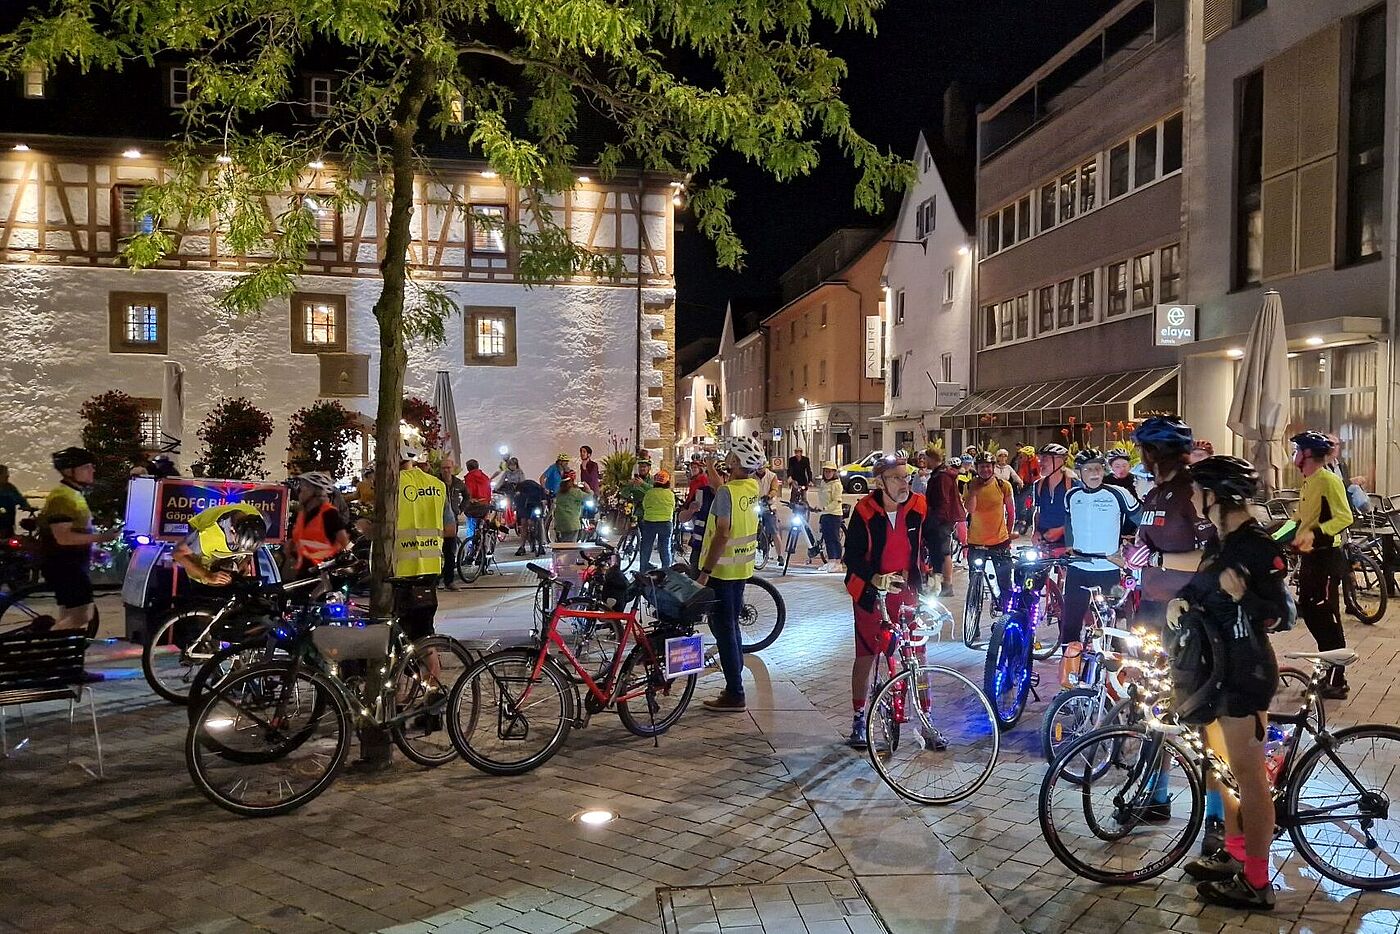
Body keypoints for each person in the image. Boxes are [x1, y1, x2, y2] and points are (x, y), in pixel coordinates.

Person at [1173, 456, 1286, 911]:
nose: (1193, 500)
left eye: (1197, 491)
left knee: (1249, 780)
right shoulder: (1221, 541)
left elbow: (1283, 612)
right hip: (1217, 671)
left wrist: (1248, 598)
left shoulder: (1256, 544)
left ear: (1214, 496)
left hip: (1246, 672)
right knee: (1224, 773)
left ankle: (1257, 882)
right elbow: (1200, 588)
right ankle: (1237, 855)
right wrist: (1179, 602)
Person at [842, 457, 946, 748]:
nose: (905, 484)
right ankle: (859, 718)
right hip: (870, 592)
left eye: (907, 477)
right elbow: (851, 556)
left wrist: (937, 571)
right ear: (880, 482)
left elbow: (937, 538)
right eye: (897, 478)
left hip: (907, 589)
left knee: (918, 654)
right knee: (867, 654)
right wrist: (874, 578)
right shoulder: (865, 511)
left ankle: (926, 721)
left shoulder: (918, 506)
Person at [696, 436, 766, 712]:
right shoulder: (752, 486)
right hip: (742, 568)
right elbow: (724, 490)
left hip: (722, 571)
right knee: (731, 627)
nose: (727, 458)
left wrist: (704, 572)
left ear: (736, 461)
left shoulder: (727, 493)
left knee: (724, 631)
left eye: (730, 456)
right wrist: (711, 468)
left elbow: (723, 531)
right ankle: (734, 685)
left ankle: (734, 692)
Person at [1060, 449, 1140, 688]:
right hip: (1078, 568)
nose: (1094, 473)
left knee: (1111, 627)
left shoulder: (1119, 494)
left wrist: (1132, 549)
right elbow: (1069, 523)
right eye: (1088, 469)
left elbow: (1142, 519)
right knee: (1070, 625)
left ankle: (1114, 684)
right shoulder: (1071, 496)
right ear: (1079, 473)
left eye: (1098, 468)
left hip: (1109, 569)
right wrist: (1069, 548)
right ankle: (1069, 683)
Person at [1290, 430, 1353, 699]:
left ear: (1306, 454)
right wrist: (1272, 537)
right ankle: (1328, 670)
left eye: (1296, 451)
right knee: (1311, 612)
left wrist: (1315, 534)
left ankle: (1337, 680)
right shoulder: (1308, 481)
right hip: (1310, 560)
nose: (1293, 456)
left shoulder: (1329, 480)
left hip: (1327, 560)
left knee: (1327, 617)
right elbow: (1298, 521)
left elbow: (1345, 517)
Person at [37, 447, 118, 631]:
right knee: (82, 615)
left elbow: (76, 531)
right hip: (64, 565)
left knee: (68, 614)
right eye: (86, 467)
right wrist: (102, 538)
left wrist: (92, 550)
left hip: (70, 563)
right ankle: (44, 646)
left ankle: (57, 652)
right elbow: (63, 537)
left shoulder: (73, 494)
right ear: (69, 471)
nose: (92, 470)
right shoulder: (62, 497)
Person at [963, 452, 1018, 607]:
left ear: (993, 467)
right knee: (974, 585)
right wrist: (973, 491)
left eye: (988, 466)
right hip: (976, 542)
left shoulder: (1003, 485)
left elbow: (1012, 512)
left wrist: (1008, 535)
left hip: (999, 541)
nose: (985, 470)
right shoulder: (970, 485)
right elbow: (970, 509)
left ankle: (1007, 613)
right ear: (976, 468)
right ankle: (973, 622)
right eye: (981, 467)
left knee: (1005, 583)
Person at [172, 501, 268, 587]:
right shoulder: (209, 536)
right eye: (239, 544)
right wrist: (207, 575)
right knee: (214, 578)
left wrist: (246, 560)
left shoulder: (257, 517)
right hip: (202, 530)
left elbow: (251, 542)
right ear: (232, 530)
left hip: (223, 526)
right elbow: (178, 553)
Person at [288, 471, 350, 577]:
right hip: (302, 572)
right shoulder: (303, 514)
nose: (299, 493)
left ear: (315, 492)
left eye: (303, 489)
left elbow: (344, 543)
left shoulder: (329, 513)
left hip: (321, 574)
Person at [924, 448, 965, 595]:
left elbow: (943, 500)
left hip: (942, 519)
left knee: (943, 551)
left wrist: (935, 520)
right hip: (942, 518)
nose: (924, 461)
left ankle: (946, 585)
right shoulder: (941, 474)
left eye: (926, 458)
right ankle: (941, 584)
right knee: (940, 550)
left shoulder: (941, 477)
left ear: (932, 459)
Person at [1024, 443, 1074, 551]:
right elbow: (1038, 511)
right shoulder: (1039, 484)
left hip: (1066, 541)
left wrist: (1061, 530)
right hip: (1043, 540)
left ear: (1060, 460)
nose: (1040, 462)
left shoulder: (1073, 484)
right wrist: (1035, 531)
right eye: (1040, 458)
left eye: (1045, 458)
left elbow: (1081, 516)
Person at [678, 458, 717, 570]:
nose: (710, 479)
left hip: (718, 550)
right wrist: (689, 509)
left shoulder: (729, 495)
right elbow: (683, 516)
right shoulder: (702, 491)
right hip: (699, 546)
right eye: (708, 475)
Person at [438, 457, 467, 591]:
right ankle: (435, 580)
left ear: (452, 468)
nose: (446, 470)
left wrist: (460, 509)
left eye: (448, 468)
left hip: (452, 520)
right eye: (443, 468)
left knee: (450, 551)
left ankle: (449, 581)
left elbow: (467, 496)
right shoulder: (435, 481)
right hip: (436, 519)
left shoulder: (458, 483)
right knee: (435, 550)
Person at [638, 470, 677, 569]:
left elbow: (645, 506)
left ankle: (643, 569)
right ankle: (666, 571)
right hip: (666, 523)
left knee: (646, 546)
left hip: (649, 523)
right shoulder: (670, 494)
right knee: (664, 547)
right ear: (667, 482)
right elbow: (673, 506)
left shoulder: (649, 493)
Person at [817, 461, 845, 572]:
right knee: (827, 539)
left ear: (834, 472)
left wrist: (826, 508)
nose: (828, 473)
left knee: (834, 538)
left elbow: (836, 501)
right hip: (825, 514)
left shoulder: (837, 485)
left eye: (830, 471)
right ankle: (831, 561)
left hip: (834, 514)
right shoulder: (824, 483)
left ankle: (838, 562)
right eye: (826, 471)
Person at [512, 477, 548, 557]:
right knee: (538, 521)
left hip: (526, 505)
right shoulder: (534, 486)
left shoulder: (519, 490)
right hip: (535, 503)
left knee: (524, 525)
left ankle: (522, 546)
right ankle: (541, 546)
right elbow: (543, 497)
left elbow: (517, 504)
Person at [552, 476, 590, 543]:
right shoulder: (574, 492)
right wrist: (588, 488)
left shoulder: (559, 493)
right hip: (571, 523)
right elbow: (588, 497)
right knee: (571, 545)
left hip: (560, 523)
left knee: (564, 543)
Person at [0, 465, 33, 538]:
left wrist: (27, 507)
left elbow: (21, 500)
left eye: (7, 474)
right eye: (5, 474)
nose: (7, 476)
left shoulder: (9, 488)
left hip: (8, 524)